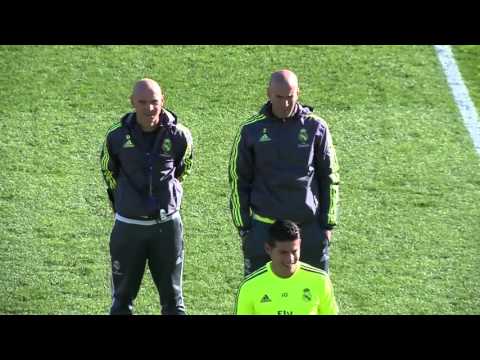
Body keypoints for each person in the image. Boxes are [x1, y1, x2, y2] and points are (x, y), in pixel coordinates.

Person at [228, 69, 340, 276]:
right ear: (268, 93)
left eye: (290, 97)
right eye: (279, 97)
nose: (285, 103)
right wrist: (244, 228)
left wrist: (327, 224)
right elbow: (238, 180)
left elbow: (330, 177)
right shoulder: (250, 130)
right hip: (264, 231)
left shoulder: (317, 127)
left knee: (313, 300)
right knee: (260, 299)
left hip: (309, 230)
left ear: (298, 93)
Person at [100, 78, 193, 315]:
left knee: (174, 302)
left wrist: (169, 196)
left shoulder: (180, 135)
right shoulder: (116, 136)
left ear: (163, 100)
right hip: (128, 227)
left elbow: (183, 168)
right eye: (142, 102)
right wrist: (124, 202)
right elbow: (109, 172)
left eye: (154, 102)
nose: (149, 108)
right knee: (121, 303)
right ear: (132, 102)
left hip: (167, 228)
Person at [234, 220, 338, 315]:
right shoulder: (250, 286)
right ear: (268, 249)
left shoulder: (320, 280)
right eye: (283, 252)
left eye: (294, 251)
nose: (290, 259)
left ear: (300, 245)